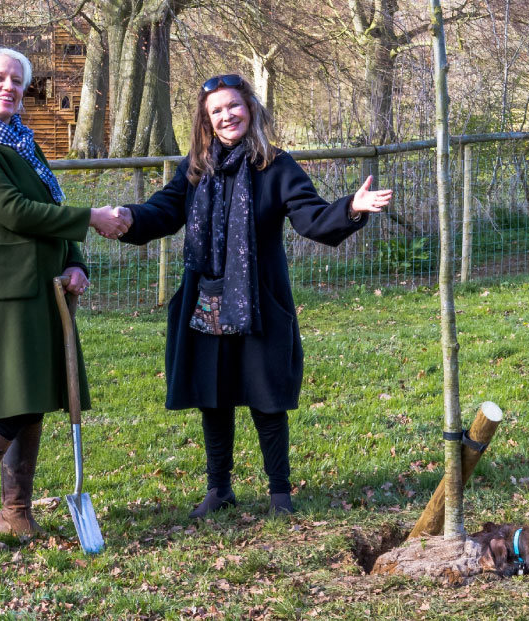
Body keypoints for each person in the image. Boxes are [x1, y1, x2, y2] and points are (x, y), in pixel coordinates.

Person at [112, 74, 391, 517]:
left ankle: (279, 493)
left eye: (233, 107)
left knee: (266, 394)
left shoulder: (276, 166)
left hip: (258, 300)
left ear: (251, 109)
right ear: (206, 121)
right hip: (207, 298)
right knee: (213, 393)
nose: (226, 116)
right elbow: (164, 211)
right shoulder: (195, 168)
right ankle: (219, 489)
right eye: (216, 111)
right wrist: (127, 216)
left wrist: (351, 209)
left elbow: (311, 218)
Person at [0, 46, 128, 555]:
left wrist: (75, 262)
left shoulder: (21, 139)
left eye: (17, 80)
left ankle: (16, 512)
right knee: (5, 400)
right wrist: (91, 219)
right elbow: (13, 210)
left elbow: (49, 203)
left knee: (35, 398)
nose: (8, 87)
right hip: (1, 291)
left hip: (46, 287)